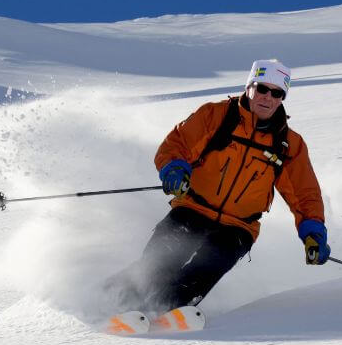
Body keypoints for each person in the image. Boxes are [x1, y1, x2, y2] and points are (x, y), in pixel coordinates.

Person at [106, 59, 330, 315]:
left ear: (282, 98)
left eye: (277, 92)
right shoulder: (216, 116)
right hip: (193, 208)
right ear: (249, 87)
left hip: (239, 226)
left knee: (203, 271)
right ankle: (112, 301)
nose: (268, 97)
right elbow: (176, 144)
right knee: (158, 264)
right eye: (262, 88)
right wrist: (175, 169)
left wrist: (313, 231)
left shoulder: (288, 144)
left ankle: (167, 312)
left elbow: (304, 193)